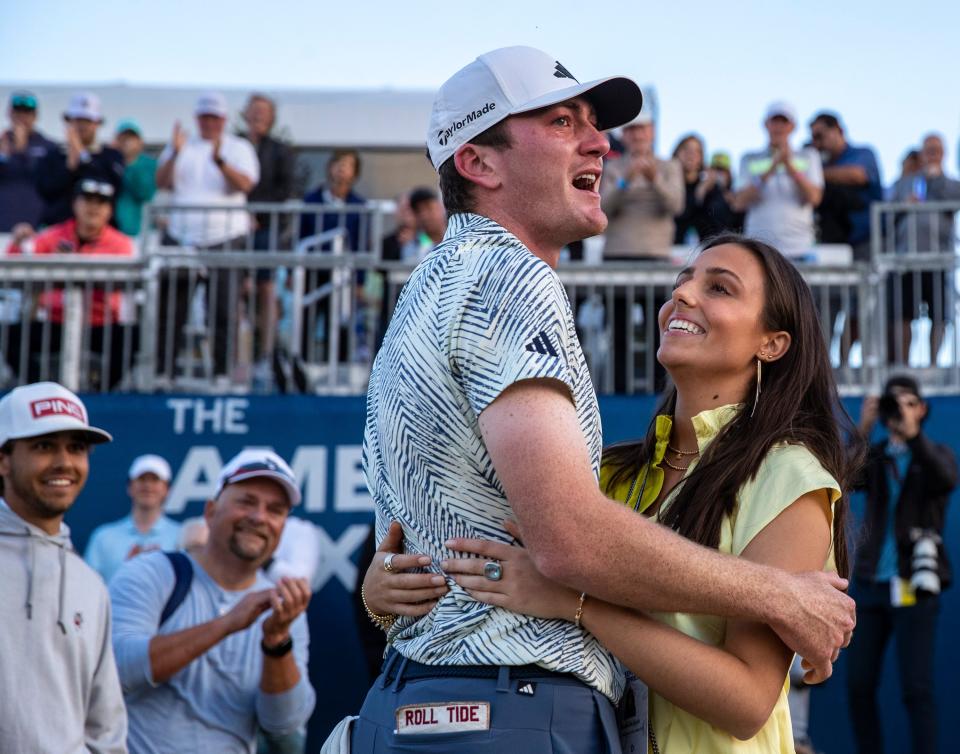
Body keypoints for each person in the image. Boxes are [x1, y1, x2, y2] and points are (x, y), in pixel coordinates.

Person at [351, 45, 854, 753]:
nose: (600, 142)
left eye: (720, 286)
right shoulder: (507, 278)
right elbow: (572, 541)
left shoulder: (432, 283)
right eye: (561, 122)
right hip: (507, 709)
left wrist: (562, 597)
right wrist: (783, 595)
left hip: (439, 702)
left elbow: (538, 547)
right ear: (479, 163)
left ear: (776, 341)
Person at [109, 448, 315, 754]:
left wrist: (276, 641)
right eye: (246, 502)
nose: (259, 517)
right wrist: (226, 624)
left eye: (275, 509)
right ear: (210, 511)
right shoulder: (152, 573)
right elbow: (116, 669)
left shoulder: (283, 610)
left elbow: (284, 725)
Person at [0, 381, 126, 753]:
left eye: (76, 448)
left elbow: (106, 730)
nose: (64, 463)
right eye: (43, 446)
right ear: (3, 460)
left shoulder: (90, 585)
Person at [847, 375, 956, 754]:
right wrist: (862, 426)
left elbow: (945, 480)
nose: (902, 411)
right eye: (896, 404)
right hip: (870, 585)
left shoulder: (935, 455)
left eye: (910, 403)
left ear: (923, 409)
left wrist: (912, 436)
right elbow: (842, 476)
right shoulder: (876, 457)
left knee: (916, 689)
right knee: (858, 684)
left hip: (914, 584)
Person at [155, 91, 260, 379]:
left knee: (223, 311)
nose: (209, 123)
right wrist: (175, 152)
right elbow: (161, 182)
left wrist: (221, 162)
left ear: (224, 119)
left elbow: (246, 184)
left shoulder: (239, 147)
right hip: (182, 239)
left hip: (224, 237)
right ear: (197, 118)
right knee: (172, 309)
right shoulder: (181, 145)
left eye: (214, 117)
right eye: (205, 117)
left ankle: (222, 374)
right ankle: (164, 374)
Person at [5, 179, 136, 388]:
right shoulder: (53, 236)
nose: (93, 207)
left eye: (100, 202)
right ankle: (43, 389)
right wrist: (17, 243)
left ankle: (101, 392)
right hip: (56, 320)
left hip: (100, 324)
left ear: (109, 210)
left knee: (131, 339)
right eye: (88, 201)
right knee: (11, 335)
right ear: (75, 204)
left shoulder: (120, 244)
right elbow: (17, 264)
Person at [888, 133, 960, 363]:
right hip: (905, 260)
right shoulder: (904, 182)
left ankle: (933, 364)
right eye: (928, 149)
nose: (932, 154)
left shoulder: (950, 183)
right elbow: (888, 211)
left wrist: (935, 178)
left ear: (943, 154)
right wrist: (903, 205)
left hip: (938, 260)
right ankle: (904, 364)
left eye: (936, 150)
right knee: (903, 314)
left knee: (940, 316)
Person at [241, 93, 296, 378]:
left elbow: (284, 190)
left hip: (266, 229)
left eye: (265, 111)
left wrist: (257, 216)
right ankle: (239, 355)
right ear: (245, 114)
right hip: (233, 228)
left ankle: (265, 354)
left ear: (272, 118)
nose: (259, 116)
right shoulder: (233, 145)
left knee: (266, 289)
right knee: (235, 290)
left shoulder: (280, 150)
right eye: (255, 110)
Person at [733, 102, 823, 256]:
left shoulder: (809, 156)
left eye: (784, 122)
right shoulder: (749, 158)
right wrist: (771, 168)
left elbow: (814, 197)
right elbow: (739, 202)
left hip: (799, 248)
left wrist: (790, 167)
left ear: (793, 126)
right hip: (760, 248)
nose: (779, 127)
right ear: (766, 125)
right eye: (775, 121)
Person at [601, 103, 685, 259]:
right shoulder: (613, 167)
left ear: (652, 132)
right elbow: (603, 208)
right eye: (632, 130)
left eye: (642, 129)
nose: (638, 136)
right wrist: (625, 181)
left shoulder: (670, 166)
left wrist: (655, 180)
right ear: (623, 135)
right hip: (616, 254)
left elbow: (676, 206)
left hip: (656, 253)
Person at [84, 454, 181, 584]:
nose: (147, 486)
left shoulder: (181, 536)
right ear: (130, 487)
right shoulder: (103, 537)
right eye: (141, 479)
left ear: (167, 489)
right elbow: (89, 588)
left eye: (155, 480)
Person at [36, 92, 125, 227]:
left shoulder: (111, 156)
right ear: (68, 122)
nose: (82, 126)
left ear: (97, 123)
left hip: (99, 234)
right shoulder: (53, 156)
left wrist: (82, 156)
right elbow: (46, 191)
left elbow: (112, 187)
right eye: (77, 120)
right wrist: (69, 167)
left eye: (87, 121)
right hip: (57, 230)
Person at [809, 112, 882, 260]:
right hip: (830, 244)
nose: (817, 143)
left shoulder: (862, 153)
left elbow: (857, 175)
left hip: (864, 241)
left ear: (838, 130)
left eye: (820, 136)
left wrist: (812, 171)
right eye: (814, 138)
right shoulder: (819, 161)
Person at [0, 90, 57, 231]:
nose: (22, 118)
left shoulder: (49, 147)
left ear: (35, 116)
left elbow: (49, 182)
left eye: (27, 113)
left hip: (36, 227)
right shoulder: (2, 144)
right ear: (9, 113)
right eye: (17, 112)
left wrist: (21, 152)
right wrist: (3, 158)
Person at [672, 134, 740, 243]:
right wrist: (698, 195)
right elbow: (679, 215)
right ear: (677, 152)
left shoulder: (711, 187)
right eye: (686, 149)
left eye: (696, 151)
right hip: (672, 247)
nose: (691, 155)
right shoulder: (668, 184)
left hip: (704, 250)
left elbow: (721, 224)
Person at [300, 149, 367, 249]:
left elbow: (361, 243)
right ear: (329, 167)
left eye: (348, 164)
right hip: (314, 262)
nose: (342, 168)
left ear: (355, 173)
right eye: (338, 162)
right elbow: (302, 235)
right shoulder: (311, 200)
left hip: (346, 263)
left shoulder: (359, 206)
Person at [113, 118, 157, 237]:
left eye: (131, 137)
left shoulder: (149, 164)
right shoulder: (110, 162)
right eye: (123, 138)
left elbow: (145, 193)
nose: (127, 142)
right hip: (113, 232)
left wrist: (130, 163)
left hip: (142, 233)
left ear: (140, 141)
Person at [400, 186, 447, 262]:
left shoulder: (460, 237)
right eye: (418, 211)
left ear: (441, 207)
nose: (424, 215)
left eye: (428, 207)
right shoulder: (413, 247)